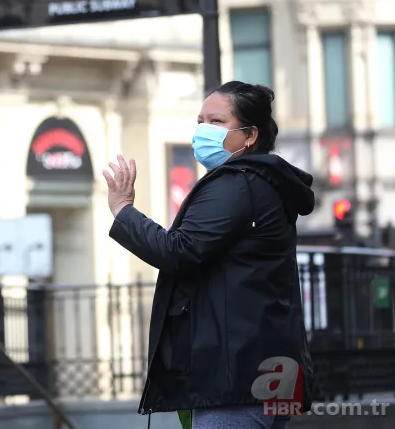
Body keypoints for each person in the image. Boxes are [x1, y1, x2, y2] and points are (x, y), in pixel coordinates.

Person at [102, 81, 314, 429]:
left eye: (216, 121)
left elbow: (179, 251)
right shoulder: (259, 182)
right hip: (260, 374)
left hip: (236, 380)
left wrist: (124, 210)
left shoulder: (238, 184)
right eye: (200, 120)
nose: (203, 129)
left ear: (249, 135)